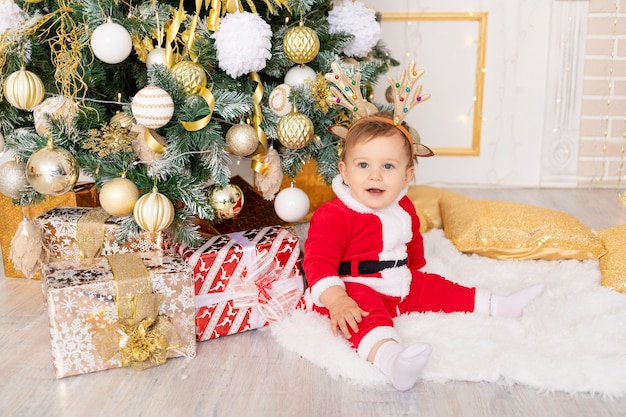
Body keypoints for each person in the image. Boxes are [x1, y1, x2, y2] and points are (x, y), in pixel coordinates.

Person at [303, 111, 544, 391]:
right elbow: (318, 262)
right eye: (363, 165)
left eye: (388, 167)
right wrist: (336, 300)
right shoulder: (334, 215)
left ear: (407, 176)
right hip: (353, 285)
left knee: (441, 288)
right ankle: (391, 360)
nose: (375, 175)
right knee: (365, 316)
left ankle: (498, 305)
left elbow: (413, 244)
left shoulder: (403, 208)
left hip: (396, 280)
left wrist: (416, 275)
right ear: (344, 171)